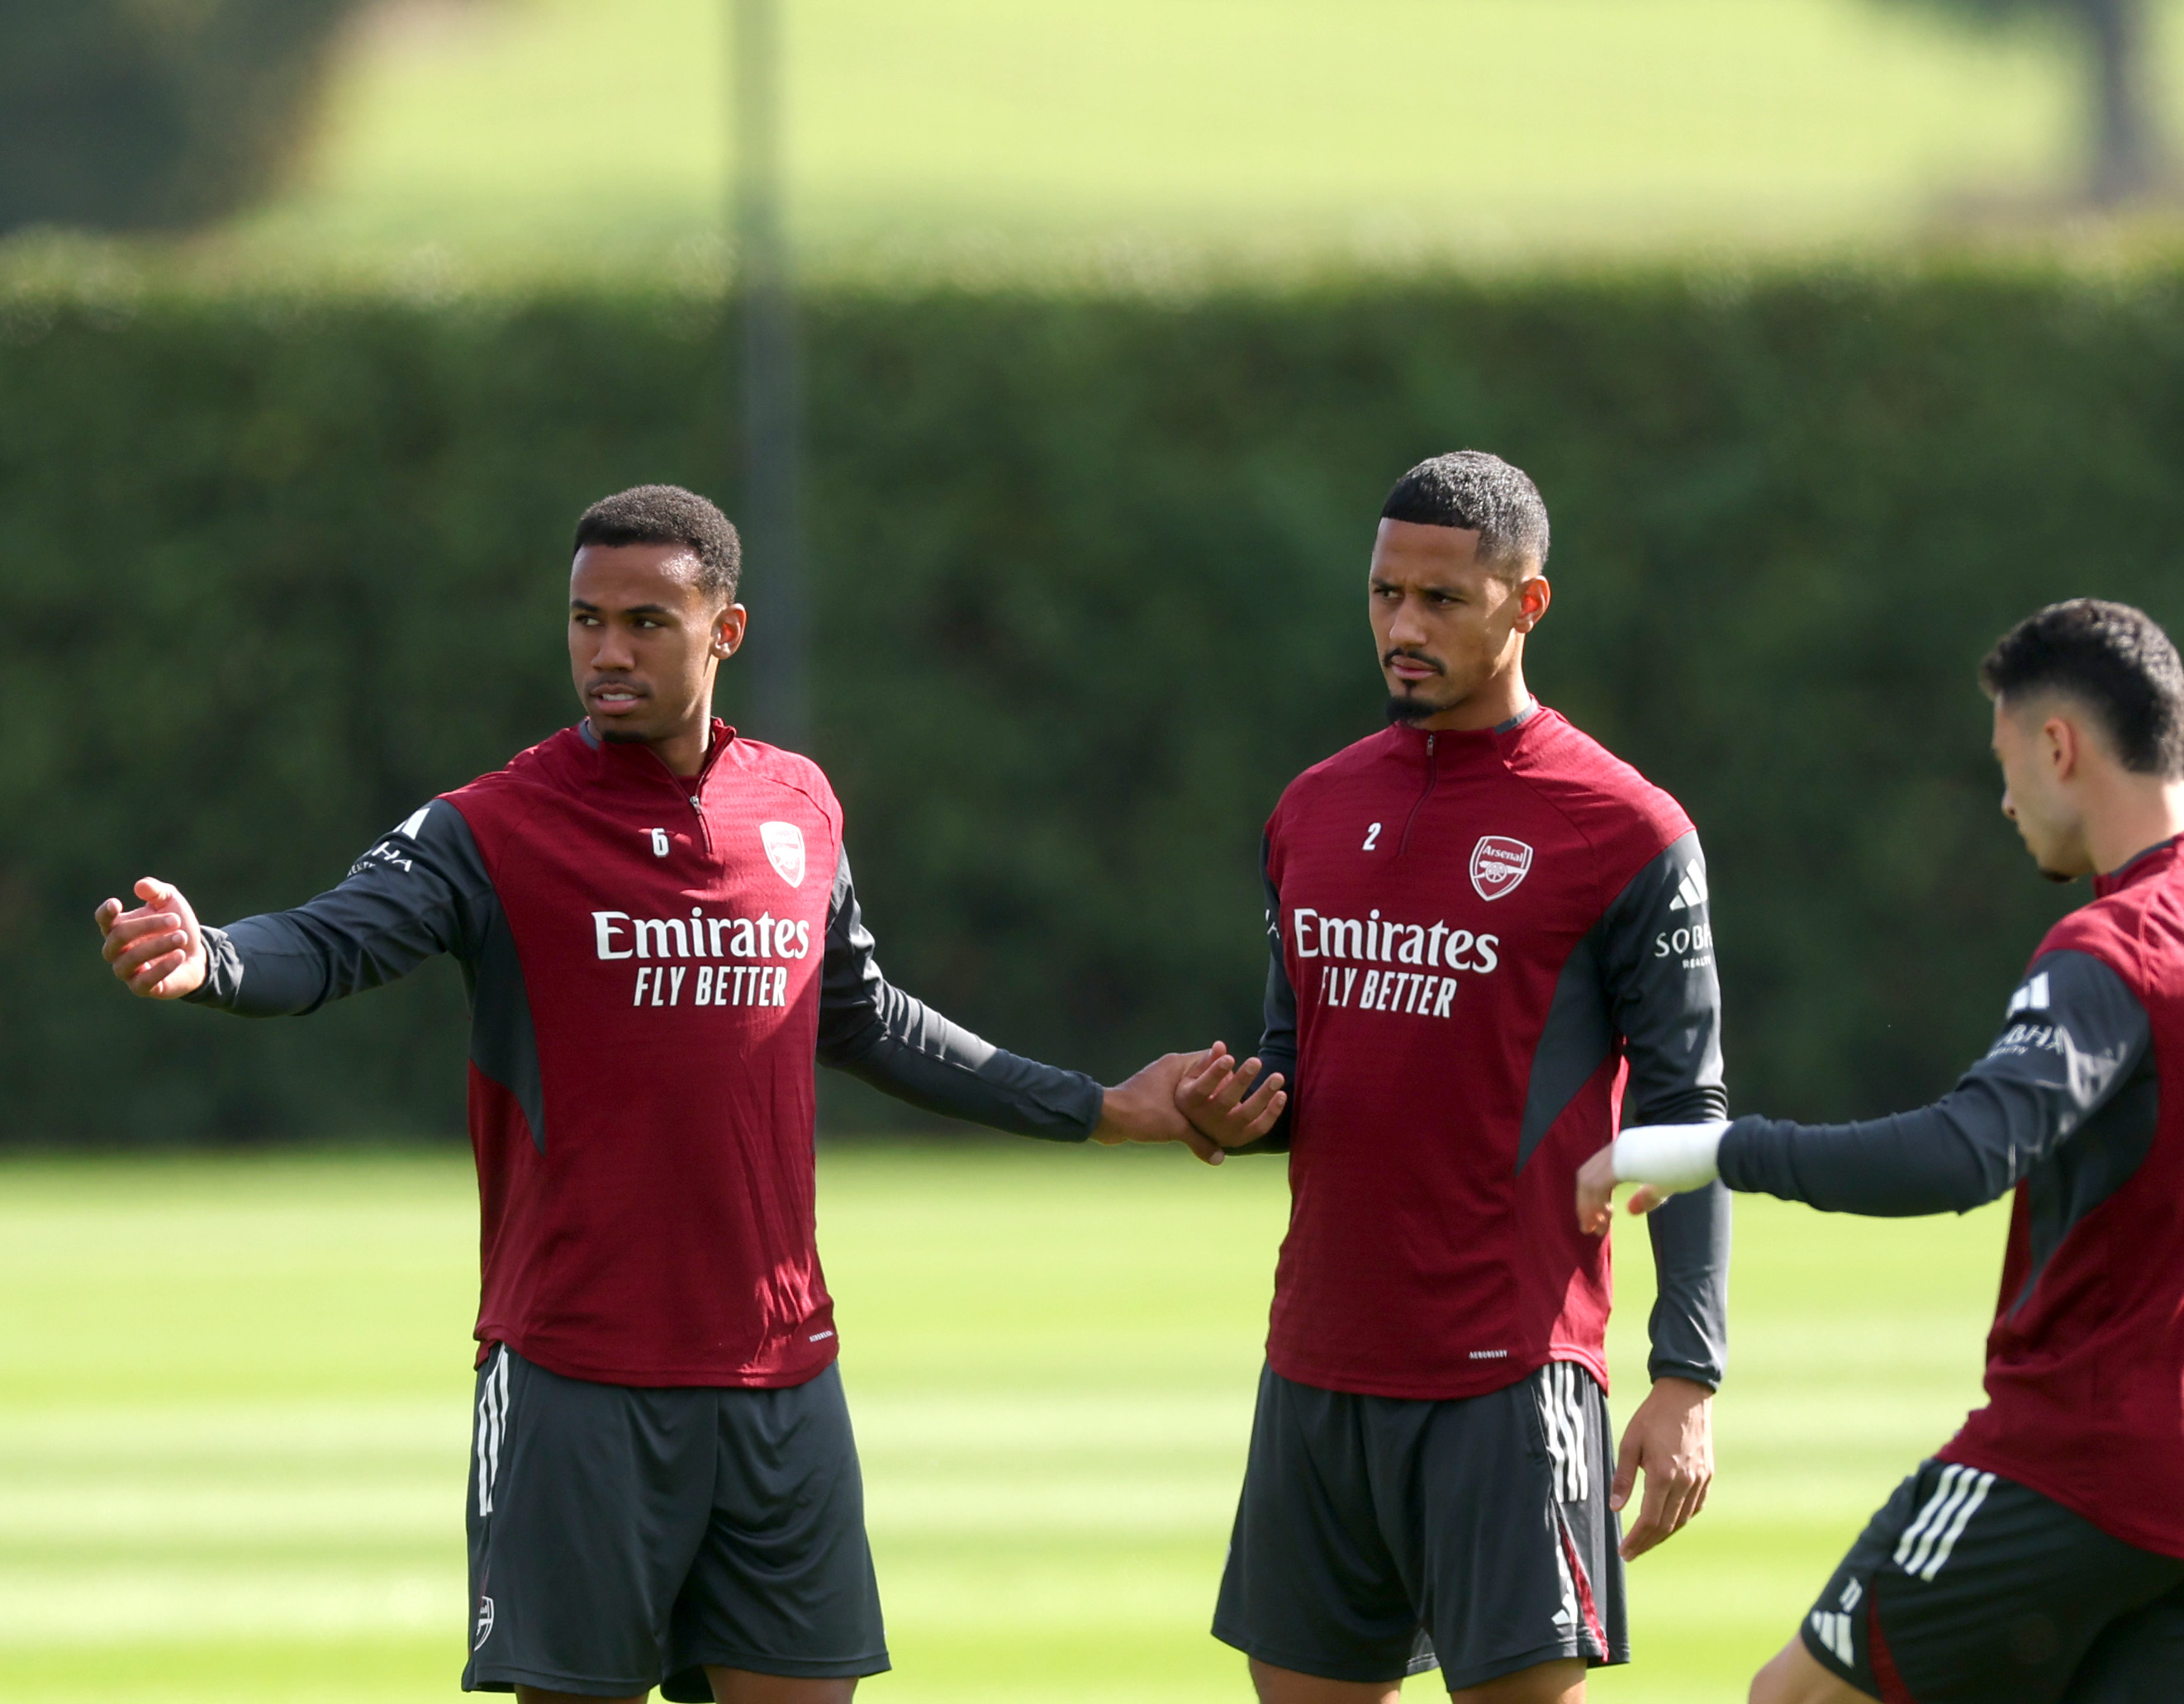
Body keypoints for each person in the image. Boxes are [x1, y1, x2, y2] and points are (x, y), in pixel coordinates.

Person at [94, 485, 1281, 1704]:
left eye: (648, 621)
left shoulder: (799, 805)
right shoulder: (492, 828)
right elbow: (331, 940)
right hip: (577, 1382)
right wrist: (217, 959)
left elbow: (865, 1018)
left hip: (781, 1380)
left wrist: (1094, 1105)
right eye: (586, 619)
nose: (608, 651)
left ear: (727, 631)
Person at [1580, 599, 2184, 1704]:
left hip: (2080, 1474)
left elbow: (1966, 1153)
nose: (2005, 800)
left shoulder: (2121, 944)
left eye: (2008, 763)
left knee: (1794, 1701)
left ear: (2059, 746)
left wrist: (1719, 1150)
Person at [1172, 450, 1733, 1704]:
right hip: (1317, 1370)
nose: (1403, 627)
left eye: (1442, 600)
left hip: (1510, 1378)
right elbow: (1293, 1064)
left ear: (1527, 605)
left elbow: (1687, 1110)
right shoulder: (1311, 811)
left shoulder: (1626, 828)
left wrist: (1687, 1374)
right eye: (1384, 595)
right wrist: (1237, 1110)